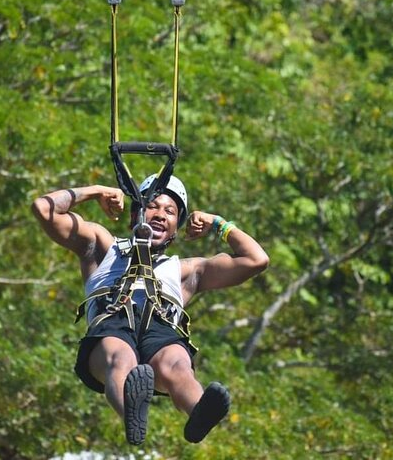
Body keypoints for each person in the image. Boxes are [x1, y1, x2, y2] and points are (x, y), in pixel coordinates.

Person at [31, 175, 269, 445]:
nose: (160, 215)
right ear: (135, 216)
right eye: (153, 206)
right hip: (112, 325)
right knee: (120, 358)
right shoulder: (102, 246)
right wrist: (96, 191)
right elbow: (44, 208)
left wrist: (218, 224)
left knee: (177, 363)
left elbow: (257, 260)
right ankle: (132, 412)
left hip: (161, 331)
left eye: (170, 211)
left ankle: (198, 411)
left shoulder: (185, 270)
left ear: (175, 229)